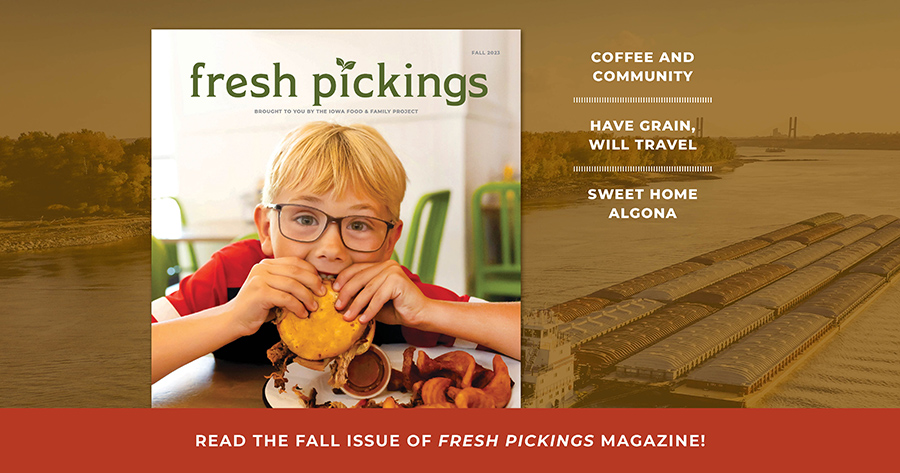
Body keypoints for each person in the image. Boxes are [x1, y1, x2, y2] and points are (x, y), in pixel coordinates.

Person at [151, 122, 520, 383]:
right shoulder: (234, 275)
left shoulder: (395, 299)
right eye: (306, 218)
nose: (330, 250)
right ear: (266, 228)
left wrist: (428, 312)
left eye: (359, 225)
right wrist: (231, 318)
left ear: (390, 242)